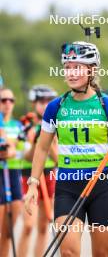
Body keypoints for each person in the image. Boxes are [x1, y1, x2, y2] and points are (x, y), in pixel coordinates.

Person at [24, 41, 108, 257]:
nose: (71, 73)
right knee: (69, 253)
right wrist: (33, 184)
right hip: (67, 187)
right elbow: (42, 148)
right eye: (67, 68)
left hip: (102, 187)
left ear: (91, 69)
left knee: (103, 254)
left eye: (77, 67)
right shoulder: (55, 107)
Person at [18, 85, 58, 257]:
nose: (45, 105)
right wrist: (37, 143)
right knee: (28, 226)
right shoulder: (26, 123)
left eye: (49, 101)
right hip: (30, 176)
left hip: (50, 174)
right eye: (41, 101)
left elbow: (59, 159)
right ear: (34, 103)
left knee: (44, 226)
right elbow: (26, 157)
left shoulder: (57, 122)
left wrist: (49, 143)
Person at [0, 88, 22, 256]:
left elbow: (25, 152)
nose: (7, 103)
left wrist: (12, 150)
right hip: (1, 173)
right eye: (3, 100)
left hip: (14, 174)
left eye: (11, 100)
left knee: (8, 232)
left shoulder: (18, 125)